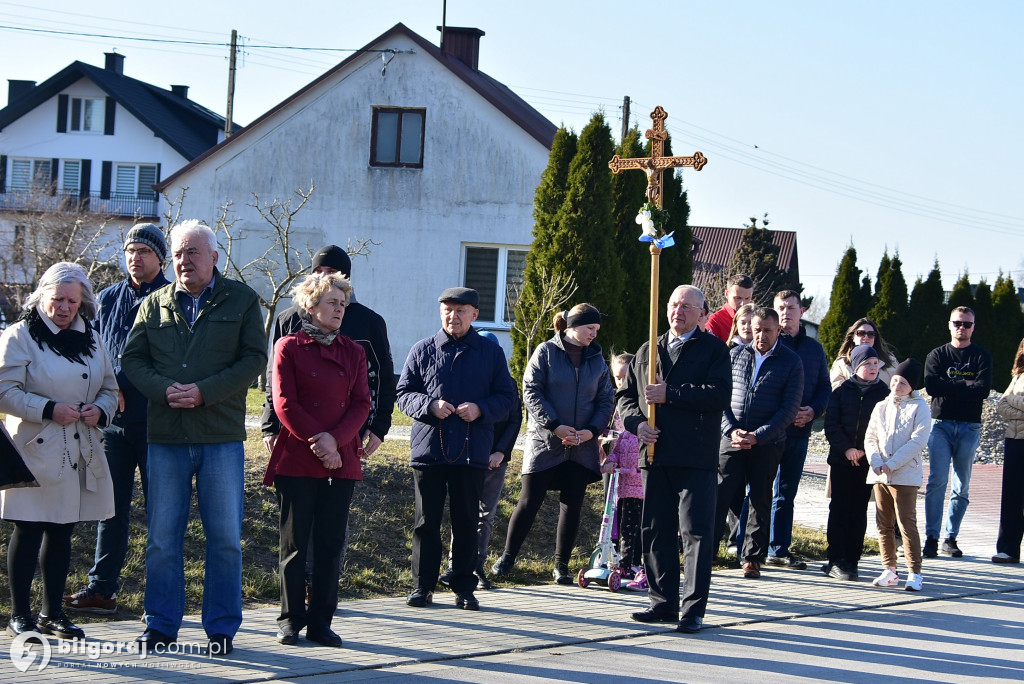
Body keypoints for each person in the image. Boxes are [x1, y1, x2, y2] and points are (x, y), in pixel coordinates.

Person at [122, 219, 266, 656]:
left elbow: (253, 359)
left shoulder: (241, 300)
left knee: (224, 538)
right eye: (179, 253)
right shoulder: (156, 303)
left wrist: (206, 392)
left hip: (220, 437)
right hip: (165, 437)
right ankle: (161, 626)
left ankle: (221, 629)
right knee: (163, 538)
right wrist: (163, 390)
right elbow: (133, 358)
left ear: (215, 257)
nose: (184, 260)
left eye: (193, 252)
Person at [259, 244, 395, 594]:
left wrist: (379, 425)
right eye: (318, 273)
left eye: (332, 274)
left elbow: (380, 376)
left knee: (332, 527)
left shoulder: (366, 321)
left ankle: (322, 591)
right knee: (296, 525)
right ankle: (299, 590)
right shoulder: (288, 321)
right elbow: (276, 386)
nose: (324, 279)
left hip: (347, 434)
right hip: (296, 437)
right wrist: (269, 424)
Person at [0, 262, 118, 639]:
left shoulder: (93, 338)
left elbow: (110, 389)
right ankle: (21, 614)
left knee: (62, 530)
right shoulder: (19, 335)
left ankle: (53, 613)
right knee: (29, 527)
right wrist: (49, 408)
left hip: (78, 448)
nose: (64, 307)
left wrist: (100, 409)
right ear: (41, 297)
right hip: (33, 448)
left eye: (72, 300)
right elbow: (4, 391)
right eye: (57, 299)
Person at [64, 223, 170, 616]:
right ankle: (102, 589)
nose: (134, 257)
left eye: (143, 250)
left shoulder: (173, 297)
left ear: (160, 256)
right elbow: (95, 350)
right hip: (113, 423)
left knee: (162, 512)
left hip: (159, 422)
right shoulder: (107, 298)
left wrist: (128, 383)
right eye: (129, 249)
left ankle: (158, 599)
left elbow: (172, 359)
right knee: (110, 509)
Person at [264, 273, 371, 647]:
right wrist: (318, 442)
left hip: (341, 460)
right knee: (294, 544)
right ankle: (290, 619)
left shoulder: (354, 352)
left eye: (343, 304)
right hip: (298, 457)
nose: (340, 309)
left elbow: (361, 404)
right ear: (310, 306)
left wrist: (335, 442)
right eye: (332, 302)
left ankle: (321, 622)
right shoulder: (288, 347)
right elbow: (285, 403)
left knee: (330, 544)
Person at [619, 285, 732, 634]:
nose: (678, 311)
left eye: (686, 306)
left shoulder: (713, 349)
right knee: (655, 529)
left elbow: (718, 395)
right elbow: (625, 398)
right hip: (654, 454)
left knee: (695, 532)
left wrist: (673, 394)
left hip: (695, 454)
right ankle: (661, 602)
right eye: (673, 304)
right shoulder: (647, 350)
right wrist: (638, 425)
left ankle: (693, 609)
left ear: (701, 312)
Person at [397, 287, 518, 611]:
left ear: (475, 314)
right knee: (426, 522)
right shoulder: (422, 349)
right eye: (448, 310)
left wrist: (480, 409)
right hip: (429, 451)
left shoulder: (491, 354)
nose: (454, 316)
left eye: (461, 310)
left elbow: (507, 400)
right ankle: (422, 587)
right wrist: (428, 405)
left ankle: (465, 587)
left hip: (471, 451)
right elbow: (404, 393)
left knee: (466, 521)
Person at [492, 303, 614, 584]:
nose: (593, 335)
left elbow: (606, 399)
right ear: (572, 326)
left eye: (596, 330)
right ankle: (508, 557)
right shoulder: (545, 352)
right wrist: (555, 426)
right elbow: (531, 391)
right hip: (545, 441)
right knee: (529, 500)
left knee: (572, 505)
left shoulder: (597, 359)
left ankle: (562, 565)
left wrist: (590, 431)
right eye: (589, 328)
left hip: (582, 444)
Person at [714, 307, 802, 580]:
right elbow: (720, 398)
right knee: (719, 494)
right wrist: (731, 431)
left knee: (759, 498)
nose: (761, 335)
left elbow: (789, 409)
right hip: (733, 439)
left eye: (767, 330)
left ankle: (752, 558)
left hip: (767, 443)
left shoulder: (791, 362)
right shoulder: (734, 355)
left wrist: (759, 436)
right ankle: (705, 553)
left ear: (778, 331)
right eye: (757, 329)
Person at [439, 330, 522, 590]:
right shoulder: (467, 380)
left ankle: (477, 566)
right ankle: (455, 566)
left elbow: (514, 420)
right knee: (463, 513)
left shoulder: (507, 382)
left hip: (495, 459)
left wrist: (500, 452)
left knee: (485, 515)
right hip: (468, 457)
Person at [764, 290, 830, 570]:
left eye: (791, 307)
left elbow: (824, 388)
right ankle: (749, 547)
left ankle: (779, 548)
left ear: (801, 311)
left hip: (800, 433)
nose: (786, 313)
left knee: (786, 493)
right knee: (759, 491)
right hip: (770, 432)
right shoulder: (768, 344)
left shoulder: (814, 349)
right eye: (781, 307)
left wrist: (813, 411)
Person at [923, 306, 992, 559]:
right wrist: (965, 383)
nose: (961, 327)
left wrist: (949, 386)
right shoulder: (937, 355)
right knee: (936, 482)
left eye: (967, 324)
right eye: (957, 323)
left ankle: (950, 538)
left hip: (969, 425)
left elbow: (983, 390)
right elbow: (931, 387)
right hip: (940, 423)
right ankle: (931, 537)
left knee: (961, 485)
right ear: (949, 325)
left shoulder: (982, 356)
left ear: (973, 327)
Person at [822, 345, 889, 581]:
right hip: (842, 460)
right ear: (856, 366)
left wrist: (864, 451)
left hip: (867, 461)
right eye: (868, 363)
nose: (873, 368)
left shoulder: (884, 393)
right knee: (839, 509)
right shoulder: (841, 391)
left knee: (859, 511)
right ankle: (835, 559)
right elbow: (832, 424)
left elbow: (885, 429)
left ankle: (852, 559)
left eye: (876, 363)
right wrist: (847, 449)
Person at [865, 358, 930, 591]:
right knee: (883, 523)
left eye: (903, 382)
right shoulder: (881, 406)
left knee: (906, 523)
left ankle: (915, 572)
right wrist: (875, 460)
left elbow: (918, 440)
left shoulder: (920, 407)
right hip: (880, 474)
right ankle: (889, 569)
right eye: (894, 380)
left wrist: (893, 463)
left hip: (905, 475)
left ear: (912, 385)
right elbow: (870, 437)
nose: (897, 386)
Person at [602, 352, 645, 590]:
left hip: (643, 480)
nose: (620, 383)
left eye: (624, 378)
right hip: (626, 481)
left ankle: (639, 563)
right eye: (616, 379)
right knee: (626, 523)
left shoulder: (644, 405)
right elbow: (617, 442)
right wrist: (612, 459)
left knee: (643, 525)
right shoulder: (619, 409)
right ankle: (625, 562)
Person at [993, 337, 1024, 564]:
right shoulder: (1018, 376)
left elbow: (1009, 402)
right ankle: (1008, 548)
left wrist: (1014, 401)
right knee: (1011, 496)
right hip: (1014, 440)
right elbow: (1002, 406)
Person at [829, 317, 899, 390]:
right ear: (853, 337)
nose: (866, 337)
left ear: (875, 338)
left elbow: (902, 388)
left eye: (871, 334)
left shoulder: (890, 361)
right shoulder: (841, 364)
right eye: (861, 333)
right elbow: (835, 392)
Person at [706, 274, 754, 343]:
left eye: (747, 298)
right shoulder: (715, 321)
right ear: (726, 294)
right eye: (738, 298)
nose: (743, 303)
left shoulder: (756, 319)